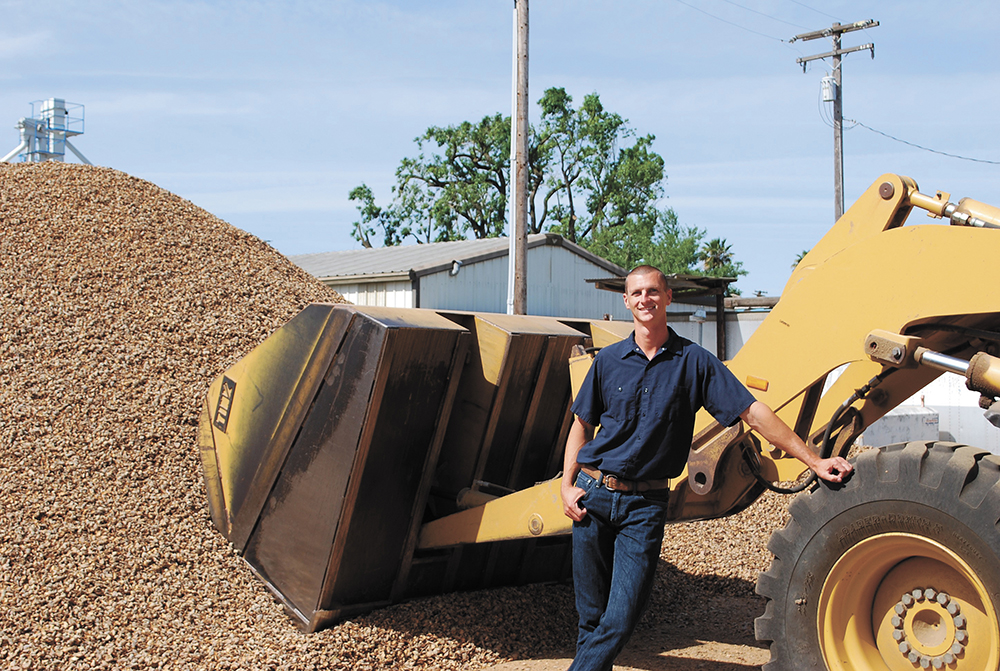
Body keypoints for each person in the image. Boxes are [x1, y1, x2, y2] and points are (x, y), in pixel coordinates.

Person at [560, 264, 852, 671]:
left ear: (667, 297)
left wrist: (814, 459)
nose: (645, 299)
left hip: (644, 506)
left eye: (653, 292)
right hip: (592, 497)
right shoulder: (608, 361)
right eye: (637, 294)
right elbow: (581, 425)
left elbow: (752, 412)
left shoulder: (694, 362)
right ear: (626, 302)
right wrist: (566, 486)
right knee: (591, 619)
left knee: (621, 617)